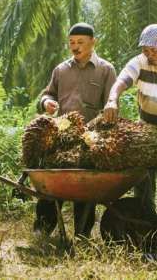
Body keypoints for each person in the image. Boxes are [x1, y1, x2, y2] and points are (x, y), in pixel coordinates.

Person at [103, 24, 157, 236]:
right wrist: (113, 99)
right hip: (146, 129)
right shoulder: (140, 62)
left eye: (154, 51)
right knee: (142, 179)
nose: (149, 55)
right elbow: (120, 82)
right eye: (145, 51)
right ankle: (145, 223)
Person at [34, 22, 116, 237]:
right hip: (60, 137)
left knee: (84, 187)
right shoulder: (61, 70)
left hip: (90, 139)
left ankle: (83, 233)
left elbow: (111, 106)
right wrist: (46, 103)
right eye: (72, 42)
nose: (75, 46)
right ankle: (42, 230)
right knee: (52, 184)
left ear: (93, 42)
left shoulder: (106, 70)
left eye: (80, 42)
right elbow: (47, 94)